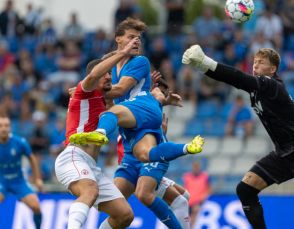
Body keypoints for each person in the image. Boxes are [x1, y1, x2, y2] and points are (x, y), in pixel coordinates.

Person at [182, 44, 294, 228]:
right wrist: (202, 66)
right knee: (245, 189)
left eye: (261, 62)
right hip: (282, 153)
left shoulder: (272, 85)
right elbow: (235, 80)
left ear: (273, 69)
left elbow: (239, 78)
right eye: (254, 62)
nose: (255, 65)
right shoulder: (258, 89)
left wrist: (206, 62)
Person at [69, 18, 204, 165]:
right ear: (118, 39)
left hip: (142, 106)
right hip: (133, 117)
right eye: (131, 37)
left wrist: (86, 93)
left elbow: (120, 90)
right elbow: (102, 83)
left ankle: (99, 133)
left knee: (110, 113)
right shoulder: (111, 67)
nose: (137, 41)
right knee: (145, 154)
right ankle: (187, 147)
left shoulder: (140, 61)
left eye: (138, 38)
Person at [55, 41, 138, 229]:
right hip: (74, 156)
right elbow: (94, 74)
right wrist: (121, 52)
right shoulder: (84, 91)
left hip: (92, 165)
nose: (109, 77)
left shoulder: (103, 102)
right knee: (89, 191)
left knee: (124, 215)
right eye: (106, 74)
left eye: (110, 74)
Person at [115, 109, 191, 229]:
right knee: (180, 202)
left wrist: (161, 134)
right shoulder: (134, 127)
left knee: (185, 195)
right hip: (140, 171)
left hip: (143, 167)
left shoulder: (134, 122)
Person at [0, 114, 43, 229]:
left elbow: (32, 159)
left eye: (6, 125)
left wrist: (37, 179)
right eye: (1, 126)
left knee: (36, 207)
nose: (4, 128)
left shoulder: (19, 142)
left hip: (18, 181)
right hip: (1, 181)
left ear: (10, 128)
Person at [182, 160, 212, 227]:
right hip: (188, 201)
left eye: (197, 166)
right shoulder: (187, 176)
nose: (196, 168)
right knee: (186, 219)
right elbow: (184, 188)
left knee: (194, 215)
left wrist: (204, 196)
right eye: (194, 166)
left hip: (198, 201)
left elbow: (209, 189)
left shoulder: (205, 176)